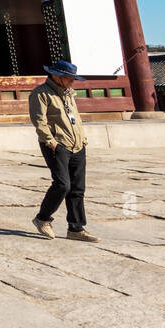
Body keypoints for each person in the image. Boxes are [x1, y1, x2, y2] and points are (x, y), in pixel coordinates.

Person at [29, 60, 97, 242]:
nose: (72, 82)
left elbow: (75, 118)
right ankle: (42, 219)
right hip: (57, 145)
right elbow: (39, 121)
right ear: (57, 76)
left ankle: (76, 228)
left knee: (77, 188)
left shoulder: (69, 94)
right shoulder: (41, 93)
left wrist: (82, 139)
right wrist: (50, 142)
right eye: (70, 79)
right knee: (62, 185)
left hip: (77, 145)